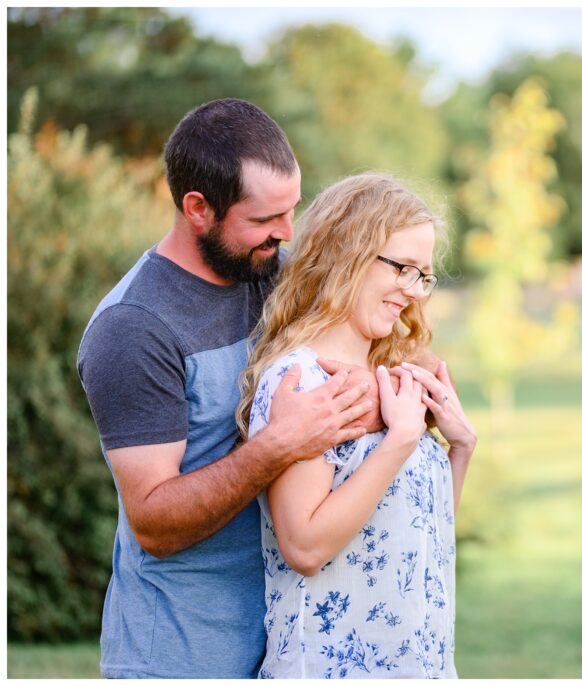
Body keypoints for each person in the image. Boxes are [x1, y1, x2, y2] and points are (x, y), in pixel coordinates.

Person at [76, 99, 389, 678]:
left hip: (291, 642)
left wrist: (378, 395)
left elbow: (368, 356)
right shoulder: (134, 328)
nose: (287, 233)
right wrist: (279, 445)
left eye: (291, 210)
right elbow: (154, 524)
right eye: (266, 218)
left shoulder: (276, 275)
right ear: (198, 208)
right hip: (183, 654)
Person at [236, 173, 476, 679]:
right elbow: (303, 546)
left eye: (424, 276)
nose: (413, 292)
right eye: (403, 268)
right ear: (346, 251)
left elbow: (419, 536)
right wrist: (401, 441)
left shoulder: (390, 378)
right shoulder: (301, 381)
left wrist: (460, 449)